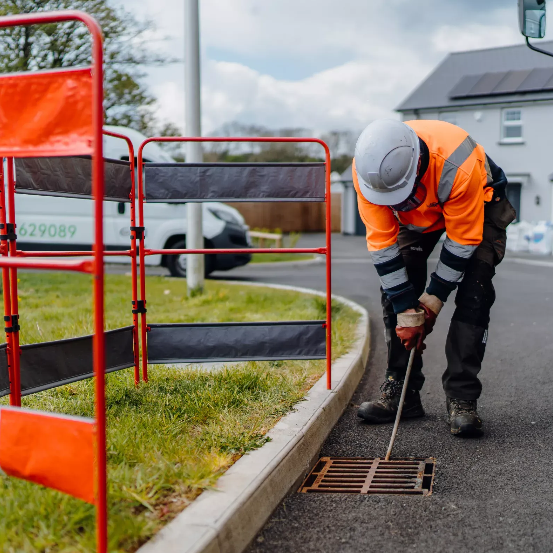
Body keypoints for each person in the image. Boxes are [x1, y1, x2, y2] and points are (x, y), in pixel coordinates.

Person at [353, 119, 516, 437]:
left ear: (417, 167)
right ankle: (402, 392)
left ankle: (462, 398)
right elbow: (384, 248)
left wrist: (433, 300)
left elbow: (462, 243)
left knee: (475, 289)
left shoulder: (459, 166)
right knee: (396, 290)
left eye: (402, 195)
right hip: (421, 215)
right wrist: (406, 309)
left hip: (478, 201)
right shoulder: (369, 176)